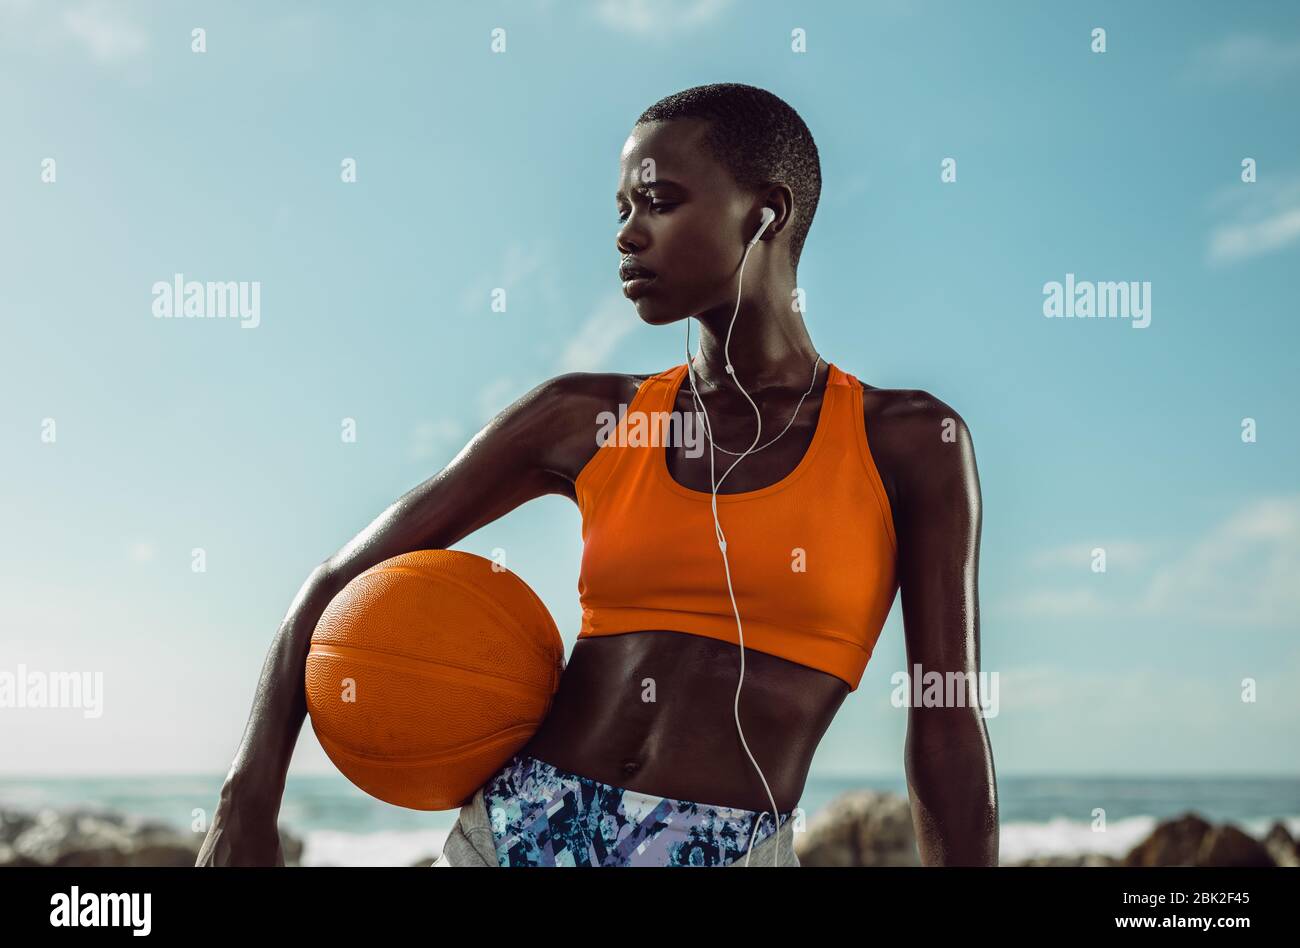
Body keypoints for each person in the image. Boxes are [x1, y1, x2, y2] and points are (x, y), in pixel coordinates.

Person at [196, 82, 997, 868]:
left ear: (768, 213)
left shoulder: (908, 441)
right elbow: (336, 582)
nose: (627, 233)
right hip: (514, 837)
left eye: (660, 201)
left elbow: (946, 721)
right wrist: (246, 804)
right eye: (622, 209)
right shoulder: (585, 417)